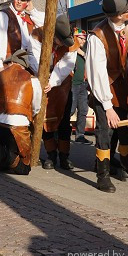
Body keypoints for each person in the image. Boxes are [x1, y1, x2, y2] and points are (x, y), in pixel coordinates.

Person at [84, 0, 128, 193]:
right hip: (105, 89)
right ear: (117, 15)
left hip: (123, 86)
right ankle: (103, 175)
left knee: (125, 128)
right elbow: (97, 74)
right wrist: (107, 107)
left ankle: (126, 166)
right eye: (126, 10)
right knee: (105, 132)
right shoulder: (97, 36)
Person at [0, 47, 40, 176]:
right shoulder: (32, 79)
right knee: (23, 169)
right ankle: (9, 157)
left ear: (12, 62)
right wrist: (30, 116)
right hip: (18, 127)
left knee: (1, 137)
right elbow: (36, 105)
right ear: (25, 65)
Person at [41, 15, 84, 170]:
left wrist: (52, 82)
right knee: (45, 120)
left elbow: (65, 67)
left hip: (63, 85)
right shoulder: (41, 38)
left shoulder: (71, 46)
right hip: (44, 83)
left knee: (64, 122)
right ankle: (51, 154)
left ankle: (64, 156)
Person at [0, 0, 44, 71]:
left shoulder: (29, 18)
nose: (19, 2)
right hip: (8, 66)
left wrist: (32, 11)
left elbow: (45, 27)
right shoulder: (3, 15)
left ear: (28, 2)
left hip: (28, 66)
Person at [70, 28, 90, 143]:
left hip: (83, 84)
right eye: (81, 38)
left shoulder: (84, 50)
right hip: (73, 84)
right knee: (71, 110)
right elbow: (71, 47)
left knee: (83, 110)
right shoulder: (71, 49)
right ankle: (61, 133)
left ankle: (80, 135)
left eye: (84, 39)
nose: (83, 41)